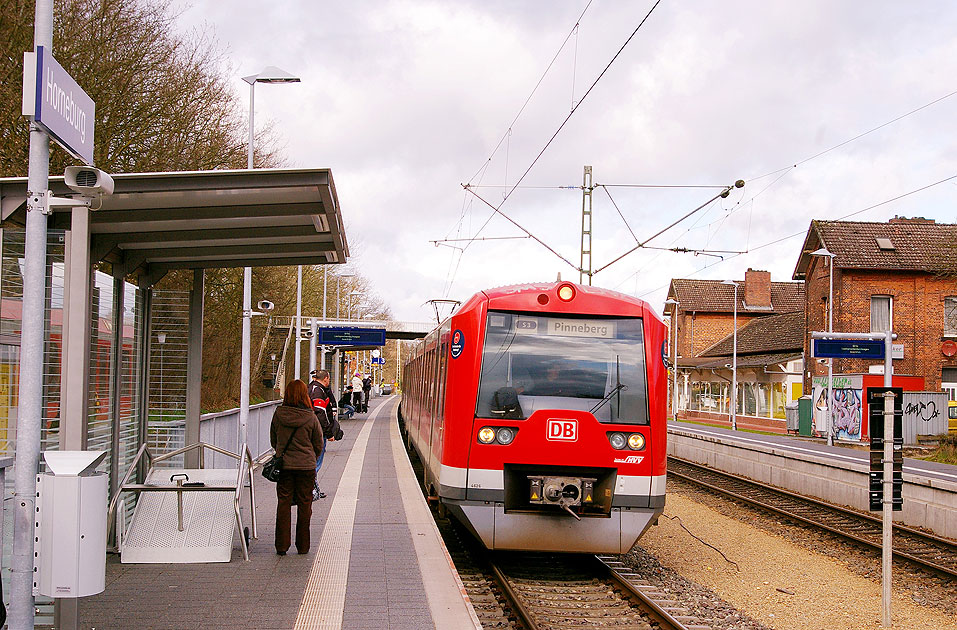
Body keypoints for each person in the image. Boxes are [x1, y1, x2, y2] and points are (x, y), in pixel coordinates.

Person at [269, 379, 323, 555]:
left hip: (285, 466)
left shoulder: (279, 414)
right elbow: (318, 444)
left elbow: (273, 440)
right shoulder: (311, 416)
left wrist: (282, 452)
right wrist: (310, 458)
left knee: (283, 503)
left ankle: (282, 546)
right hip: (306, 467)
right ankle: (303, 546)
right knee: (305, 504)